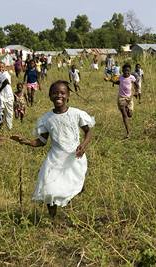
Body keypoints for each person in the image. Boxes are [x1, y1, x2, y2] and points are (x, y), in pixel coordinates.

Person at [10, 80, 94, 218]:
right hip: (55, 159)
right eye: (55, 93)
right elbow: (42, 141)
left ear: (68, 96)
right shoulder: (46, 119)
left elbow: (88, 132)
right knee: (49, 188)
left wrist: (83, 146)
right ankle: (52, 219)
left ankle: (77, 189)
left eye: (62, 93)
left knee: (74, 184)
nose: (58, 96)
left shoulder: (76, 114)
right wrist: (26, 141)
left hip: (74, 157)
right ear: (49, 96)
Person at [116, 63, 138, 139]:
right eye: (125, 71)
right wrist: (110, 80)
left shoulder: (132, 77)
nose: (126, 73)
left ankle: (128, 109)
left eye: (128, 71)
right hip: (121, 98)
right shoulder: (120, 77)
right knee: (124, 115)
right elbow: (117, 82)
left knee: (130, 115)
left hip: (129, 98)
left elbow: (136, 84)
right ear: (122, 71)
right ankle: (128, 132)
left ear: (130, 71)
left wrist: (137, 92)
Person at [0, 62, 14, 130]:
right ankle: (1, 124)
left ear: (4, 68)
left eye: (2, 67)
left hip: (8, 95)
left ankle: (9, 127)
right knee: (0, 109)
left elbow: (6, 82)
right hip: (1, 96)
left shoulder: (6, 74)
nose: (1, 68)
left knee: (9, 113)